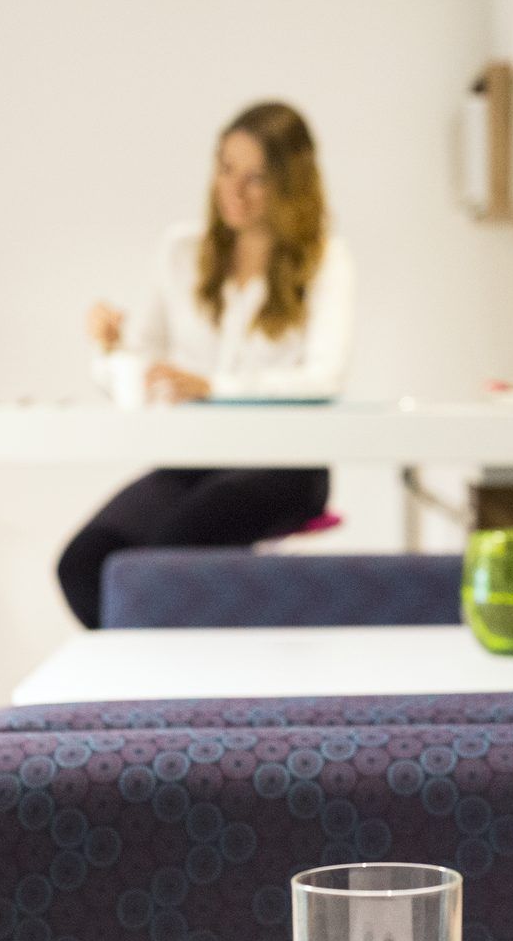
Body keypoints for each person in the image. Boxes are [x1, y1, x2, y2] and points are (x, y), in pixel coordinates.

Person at [57, 101, 355, 628]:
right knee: (84, 563)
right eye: (225, 169)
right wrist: (109, 348)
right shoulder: (181, 251)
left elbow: (323, 378)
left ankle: (163, 685)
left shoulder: (325, 260)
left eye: (256, 178)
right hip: (195, 456)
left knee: (163, 562)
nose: (233, 190)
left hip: (285, 462)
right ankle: (146, 682)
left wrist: (214, 386)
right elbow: (145, 370)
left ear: (291, 184)